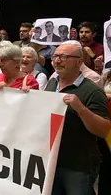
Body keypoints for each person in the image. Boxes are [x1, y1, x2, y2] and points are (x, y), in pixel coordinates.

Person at [45, 43, 110, 195]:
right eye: (55, 56)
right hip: (51, 162)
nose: (57, 61)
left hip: (77, 166)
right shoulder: (52, 83)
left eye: (64, 57)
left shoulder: (92, 91)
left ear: (79, 62)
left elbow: (104, 130)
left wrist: (81, 109)